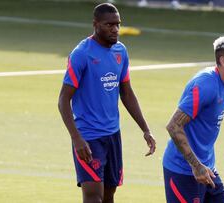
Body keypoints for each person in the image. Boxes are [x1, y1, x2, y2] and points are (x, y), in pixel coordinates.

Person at [58, 3, 156, 203]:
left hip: (112, 135)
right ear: (95, 24)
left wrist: (145, 129)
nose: (115, 30)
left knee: (109, 195)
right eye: (109, 25)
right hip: (89, 137)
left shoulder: (120, 51)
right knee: (94, 196)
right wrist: (77, 139)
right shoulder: (81, 54)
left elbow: (127, 93)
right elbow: (63, 100)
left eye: (118, 25)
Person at [163, 36, 224, 203]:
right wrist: (196, 166)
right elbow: (173, 126)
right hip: (184, 172)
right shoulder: (206, 85)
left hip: (207, 168)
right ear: (223, 61)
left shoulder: (223, 83)